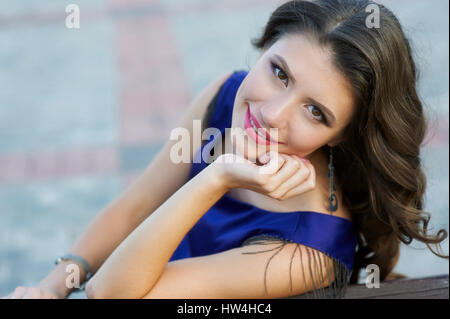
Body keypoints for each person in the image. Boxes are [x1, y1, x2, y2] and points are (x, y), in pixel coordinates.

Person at [3, 0, 448, 299]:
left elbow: (112, 294)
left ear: (340, 136)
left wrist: (218, 177)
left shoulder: (311, 249)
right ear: (263, 49)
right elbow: (136, 205)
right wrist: (54, 284)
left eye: (315, 112)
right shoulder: (226, 95)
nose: (273, 114)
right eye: (279, 73)